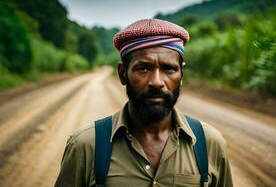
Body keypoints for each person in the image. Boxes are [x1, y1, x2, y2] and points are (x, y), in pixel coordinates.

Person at [55, 19, 233, 187]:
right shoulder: (85, 146)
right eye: (143, 68)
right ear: (123, 74)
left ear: (181, 75)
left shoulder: (210, 144)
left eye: (168, 68)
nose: (156, 82)